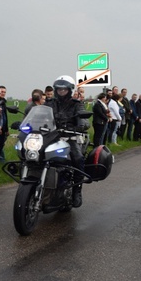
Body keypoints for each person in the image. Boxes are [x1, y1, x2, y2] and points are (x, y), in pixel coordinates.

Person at [45, 75, 87, 207]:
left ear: (69, 90)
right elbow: (39, 113)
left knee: (78, 159)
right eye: (59, 89)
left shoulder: (76, 104)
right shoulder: (50, 103)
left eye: (64, 89)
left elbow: (84, 119)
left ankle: (77, 190)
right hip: (51, 137)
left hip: (69, 137)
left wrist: (81, 125)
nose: (61, 91)